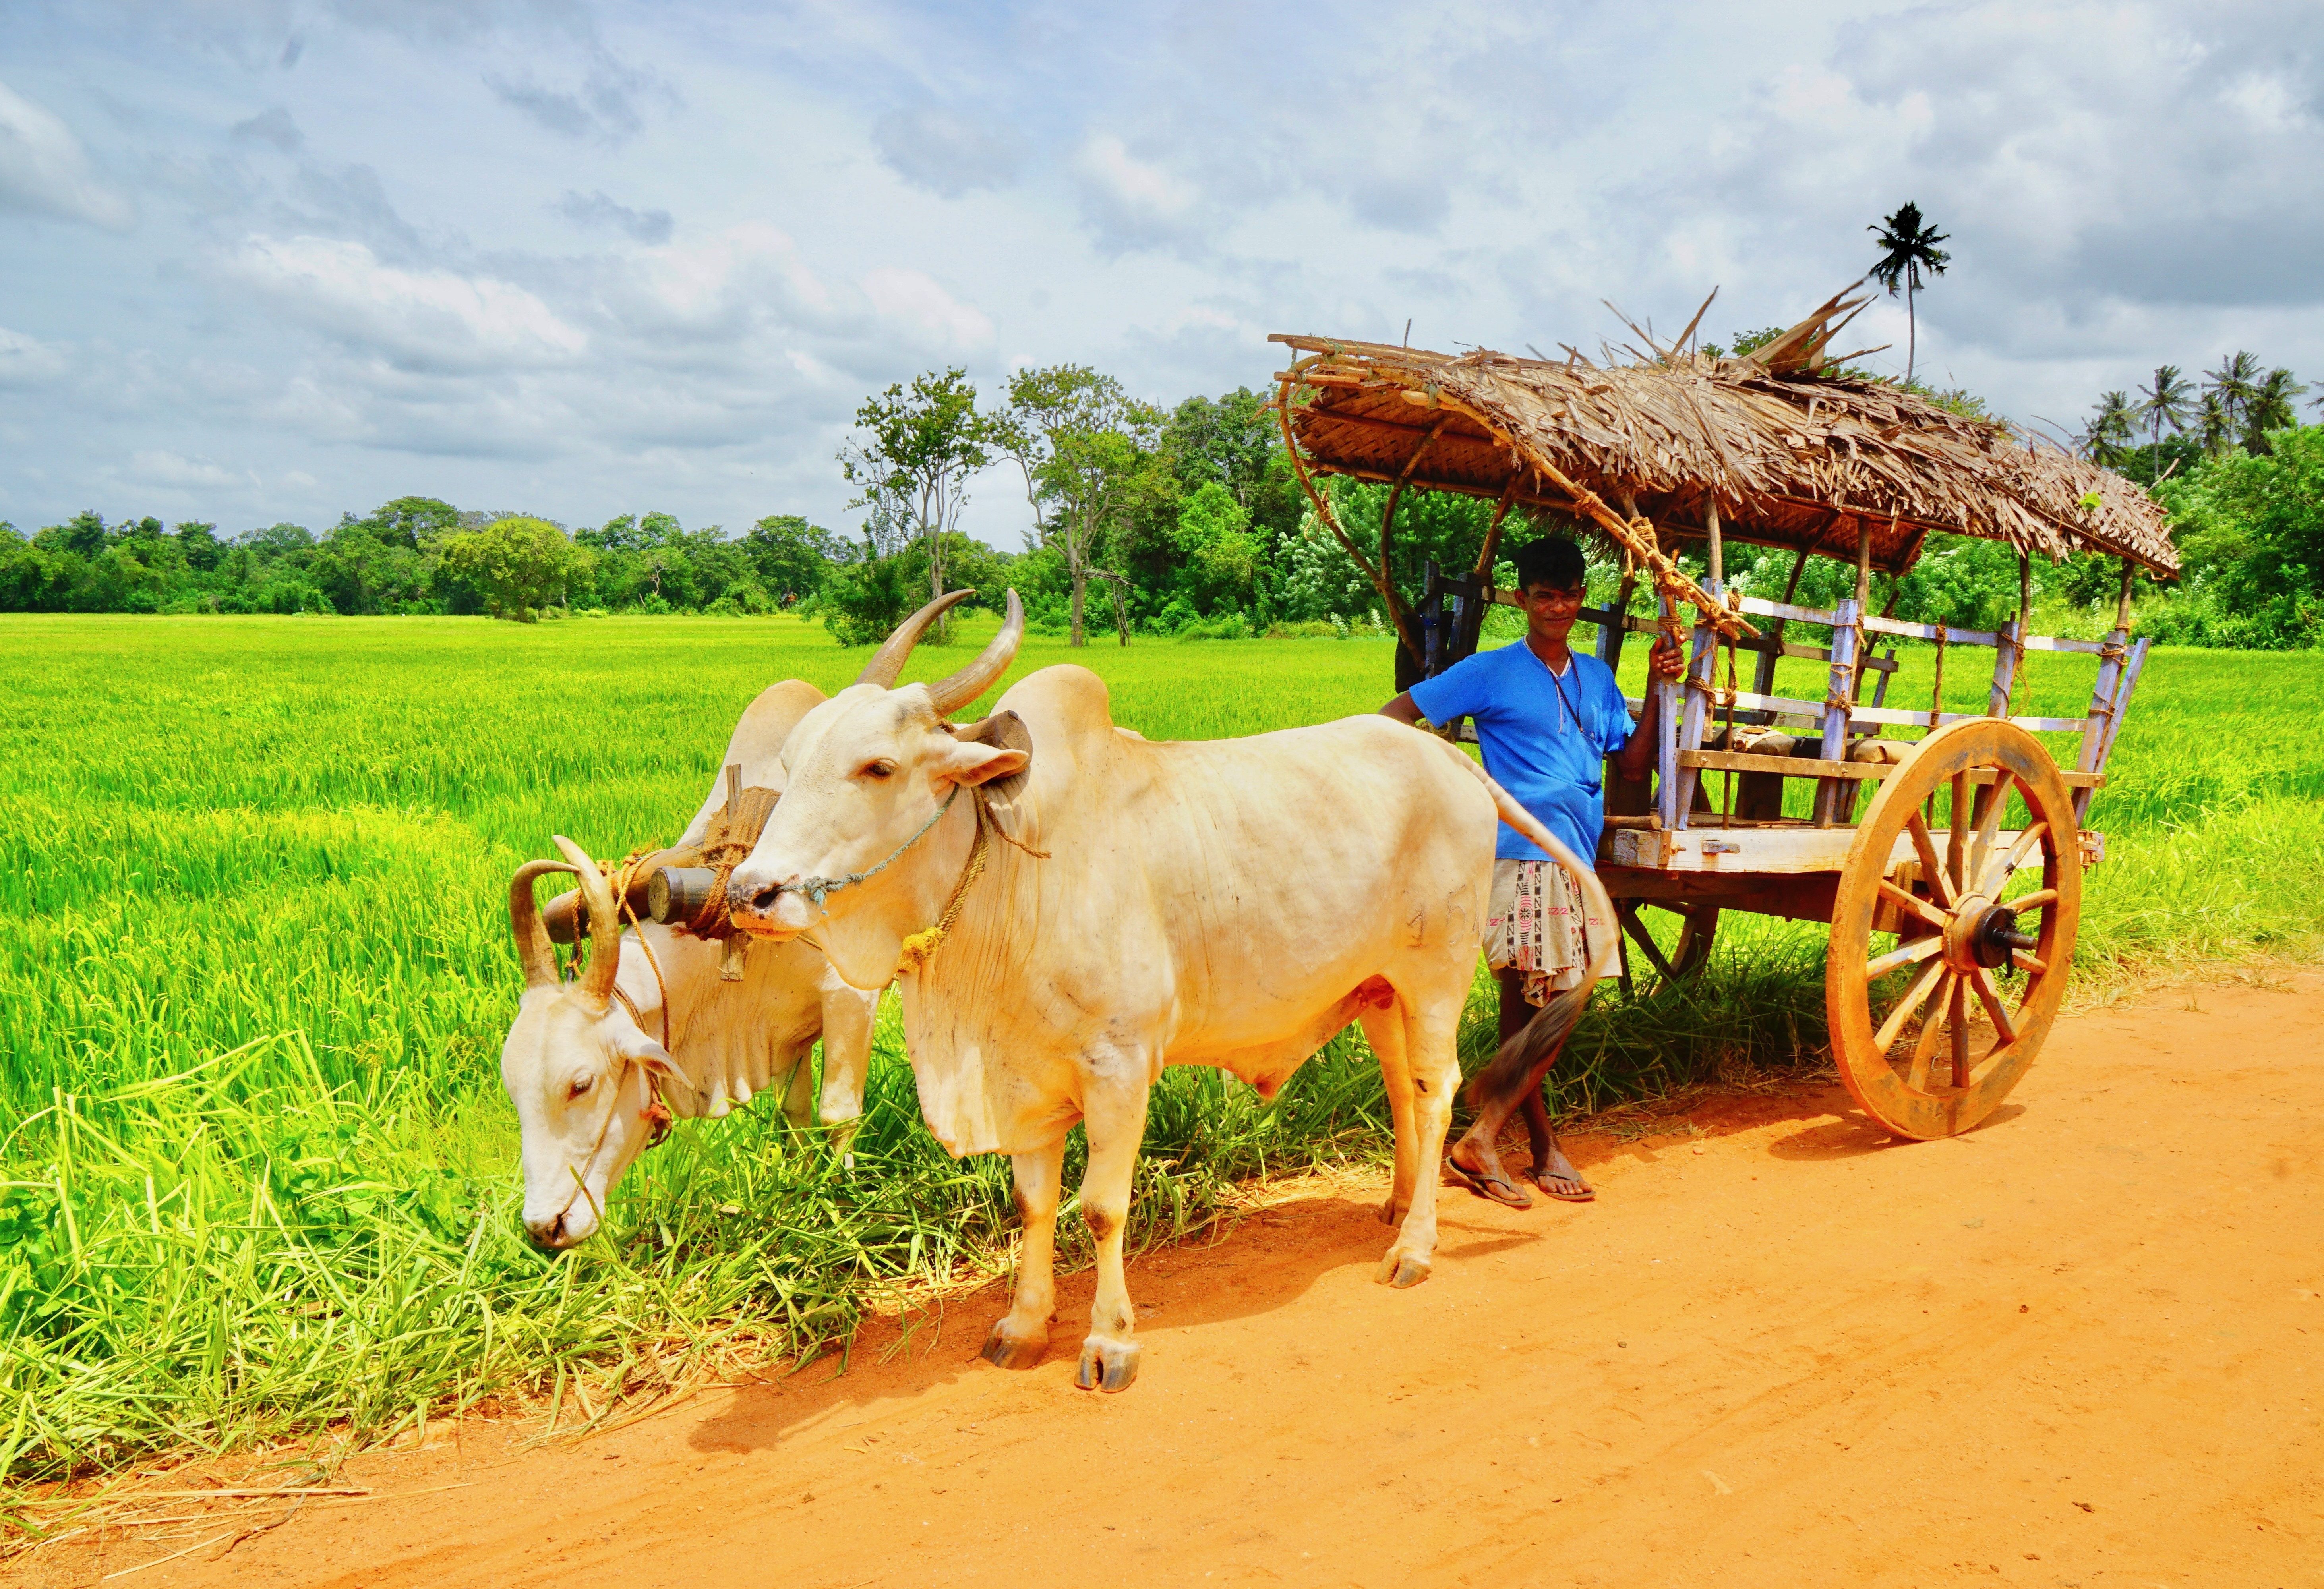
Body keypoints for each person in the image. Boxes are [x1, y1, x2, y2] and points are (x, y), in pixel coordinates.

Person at [1378, 537, 1683, 1208]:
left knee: (1534, 1007)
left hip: (1576, 856)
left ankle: (1524, 1143)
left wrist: (1660, 684)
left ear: (1580, 599)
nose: (1558, 607)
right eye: (1544, 595)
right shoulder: (1489, 672)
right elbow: (1395, 717)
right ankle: (1487, 1137)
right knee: (1558, 1003)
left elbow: (1631, 765)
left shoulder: (1597, 680)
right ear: (1521, 600)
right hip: (1520, 856)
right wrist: (1441, 786)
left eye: (1569, 595)